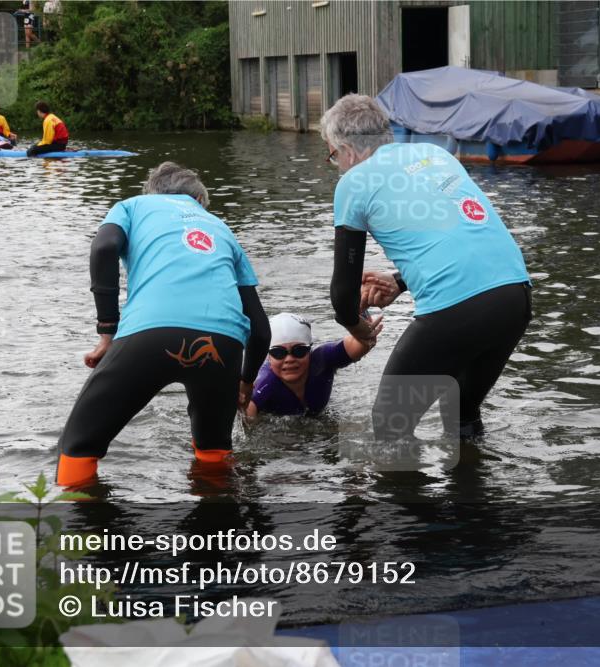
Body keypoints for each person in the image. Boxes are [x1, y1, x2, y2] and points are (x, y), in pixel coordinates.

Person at [322, 94, 532, 442]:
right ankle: (472, 491)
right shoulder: (434, 154)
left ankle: (408, 498)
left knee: (390, 425)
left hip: (457, 309)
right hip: (514, 296)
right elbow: (464, 236)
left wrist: (359, 329)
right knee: (463, 413)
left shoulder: (353, 183)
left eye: (333, 156)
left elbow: (342, 293)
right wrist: (401, 281)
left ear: (347, 149)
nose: (338, 167)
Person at [55, 162, 270, 486]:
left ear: (153, 192)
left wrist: (107, 333)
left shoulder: (132, 206)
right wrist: (245, 381)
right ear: (199, 201)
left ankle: (82, 528)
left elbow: (103, 247)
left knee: (78, 445)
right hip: (223, 344)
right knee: (213, 450)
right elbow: (260, 327)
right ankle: (216, 525)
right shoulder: (220, 227)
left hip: (150, 334)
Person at [246, 312, 381, 418]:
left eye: (299, 350)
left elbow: (363, 342)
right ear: (269, 356)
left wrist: (360, 316)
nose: (289, 359)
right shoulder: (264, 382)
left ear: (309, 350)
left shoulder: (322, 359)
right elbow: (245, 423)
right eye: (278, 353)